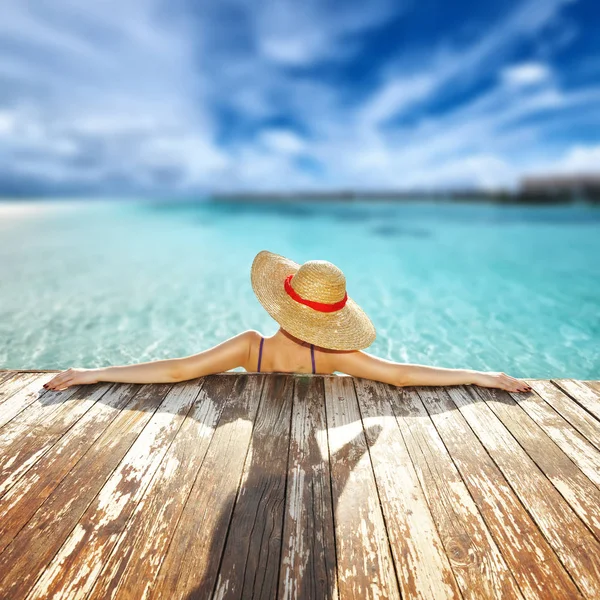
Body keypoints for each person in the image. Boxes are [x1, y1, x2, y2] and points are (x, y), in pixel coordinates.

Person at [44, 250, 532, 393]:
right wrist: (478, 375)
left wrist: (93, 373)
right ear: (333, 318)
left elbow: (175, 370)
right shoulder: (336, 358)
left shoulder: (249, 349)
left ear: (282, 303)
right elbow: (403, 376)